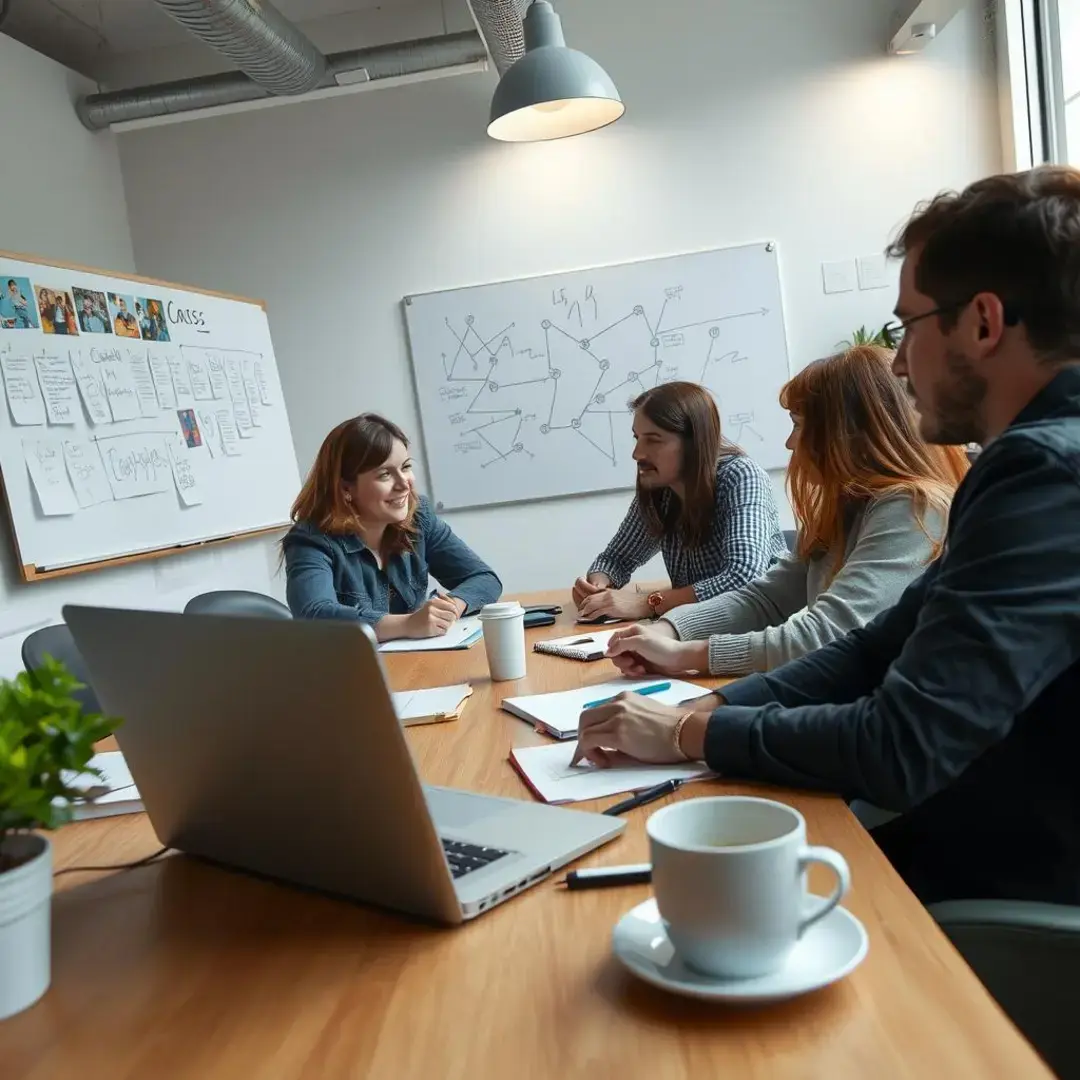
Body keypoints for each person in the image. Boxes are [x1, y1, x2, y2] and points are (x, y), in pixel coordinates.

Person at [573, 166, 1080, 906]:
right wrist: (708, 708)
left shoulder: (1042, 473)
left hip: (1012, 885)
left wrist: (688, 737)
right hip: (979, 835)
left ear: (982, 321)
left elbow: (899, 745)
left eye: (909, 325)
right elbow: (874, 646)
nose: (900, 362)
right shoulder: (1030, 465)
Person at [605, 346, 968, 677]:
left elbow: (823, 635)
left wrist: (684, 654)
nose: (790, 443)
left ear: (846, 432)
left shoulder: (912, 509)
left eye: (798, 425)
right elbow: (764, 599)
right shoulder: (848, 506)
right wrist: (668, 629)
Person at [572, 381, 785, 622]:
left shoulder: (742, 476)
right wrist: (598, 586)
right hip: (695, 630)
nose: (637, 454)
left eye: (653, 440)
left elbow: (743, 576)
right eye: (637, 438)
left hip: (760, 631)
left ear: (694, 442)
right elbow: (616, 559)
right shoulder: (660, 487)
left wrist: (648, 603)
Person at [283, 413, 503, 639]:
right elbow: (314, 615)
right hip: (351, 671)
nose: (404, 484)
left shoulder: (419, 516)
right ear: (346, 489)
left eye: (406, 467)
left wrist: (449, 610)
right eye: (385, 474)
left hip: (416, 663)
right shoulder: (310, 540)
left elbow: (484, 578)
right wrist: (407, 624)